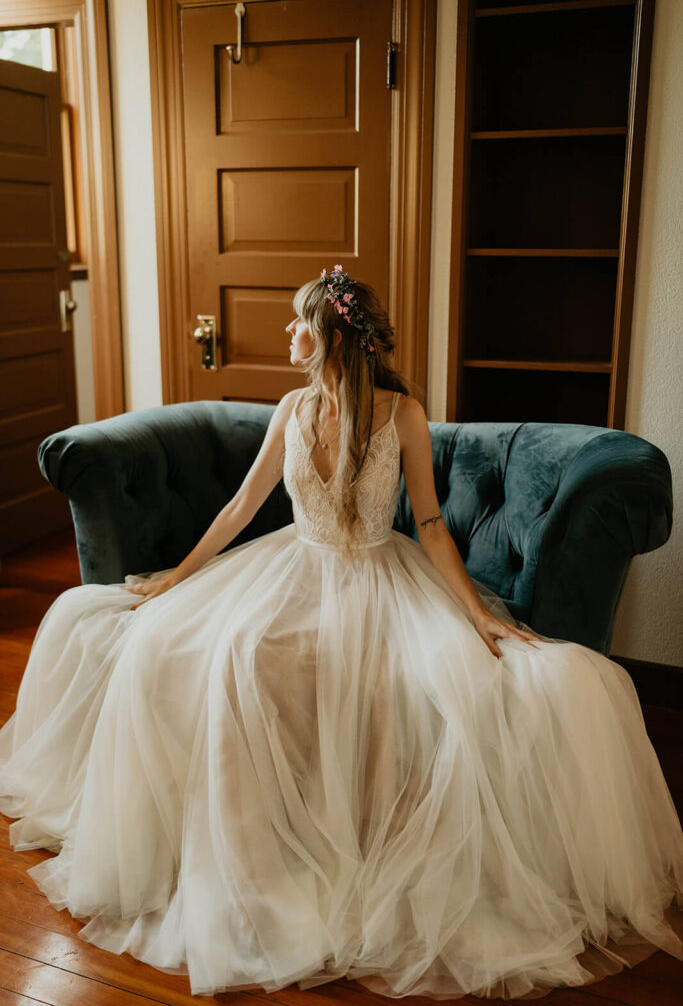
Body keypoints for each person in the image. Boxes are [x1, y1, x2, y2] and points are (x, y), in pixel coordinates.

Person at [0, 265, 681, 1000]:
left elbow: (427, 522)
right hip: (290, 568)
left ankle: (364, 850)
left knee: (433, 678)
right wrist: (180, 575)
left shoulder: (401, 414)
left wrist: (480, 614)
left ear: (330, 334)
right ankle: (249, 857)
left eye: (299, 322)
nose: (288, 334)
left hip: (381, 577)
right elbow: (239, 508)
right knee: (226, 650)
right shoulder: (290, 409)